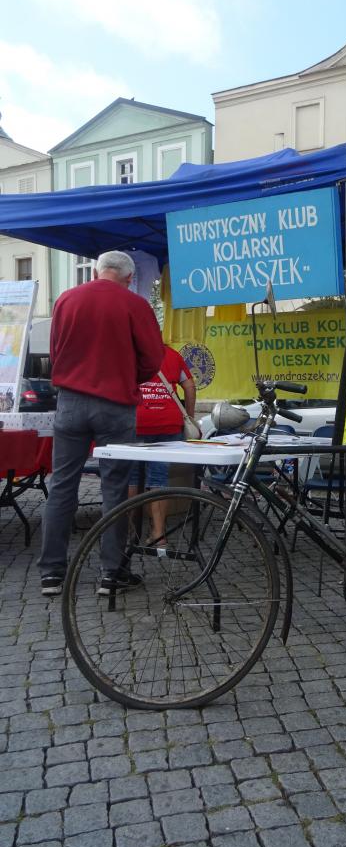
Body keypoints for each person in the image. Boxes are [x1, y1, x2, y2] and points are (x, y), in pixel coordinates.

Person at [38, 250, 164, 596]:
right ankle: (111, 574)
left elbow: (56, 350)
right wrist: (127, 377)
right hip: (115, 404)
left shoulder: (66, 299)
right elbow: (153, 358)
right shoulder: (135, 305)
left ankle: (51, 573)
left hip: (71, 402)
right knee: (114, 488)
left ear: (97, 271)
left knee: (62, 485)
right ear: (128, 277)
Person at [128, 344, 196, 546]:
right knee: (159, 477)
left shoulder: (129, 353)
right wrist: (189, 416)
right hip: (168, 423)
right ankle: (159, 535)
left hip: (136, 421)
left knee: (131, 477)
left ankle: (128, 532)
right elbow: (190, 386)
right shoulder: (173, 355)